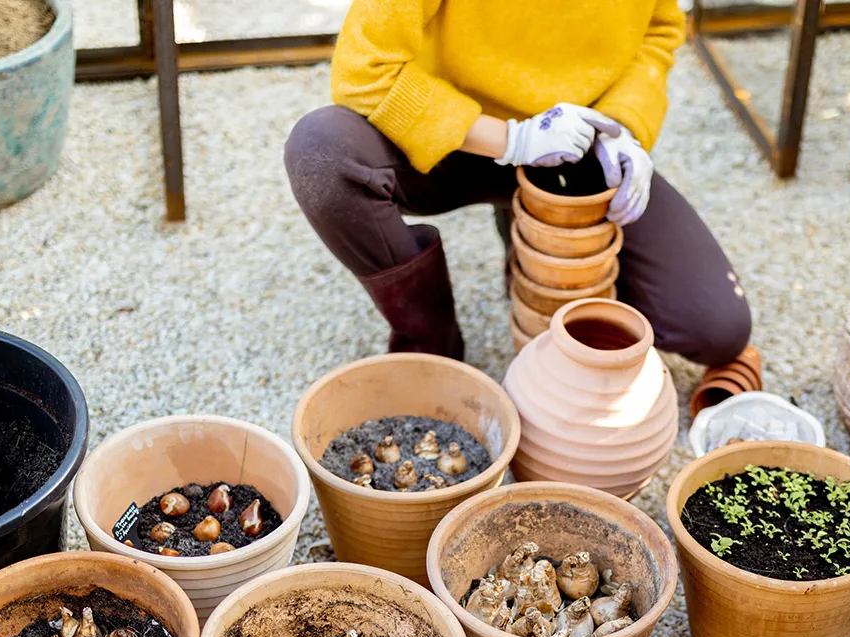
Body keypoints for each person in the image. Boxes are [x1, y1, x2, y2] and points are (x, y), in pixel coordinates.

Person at [284, 0, 751, 367]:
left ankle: (528, 238)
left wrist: (625, 126)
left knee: (717, 328)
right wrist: (512, 139)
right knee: (322, 151)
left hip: (571, 145)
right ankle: (429, 337)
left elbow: (659, 30)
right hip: (453, 138)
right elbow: (364, 70)